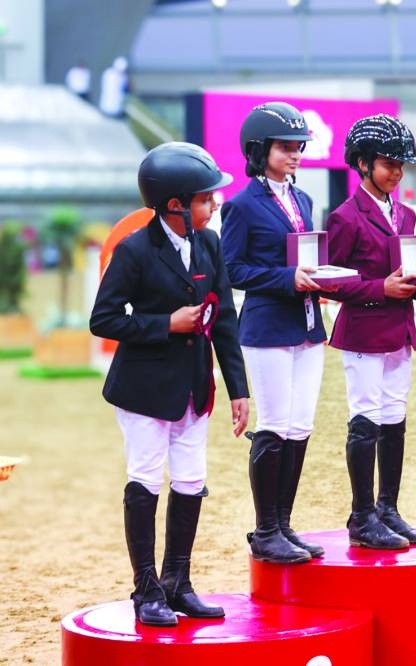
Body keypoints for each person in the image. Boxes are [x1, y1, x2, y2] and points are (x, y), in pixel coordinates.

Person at [90, 142, 249, 626]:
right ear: (174, 204)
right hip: (143, 390)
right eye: (205, 198)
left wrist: (238, 388)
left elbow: (224, 318)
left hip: (193, 387)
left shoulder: (209, 243)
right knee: (146, 479)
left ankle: (178, 581)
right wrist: (165, 324)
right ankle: (146, 589)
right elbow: (104, 319)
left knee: (191, 480)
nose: (215, 204)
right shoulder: (135, 250)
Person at [221, 102, 328, 565]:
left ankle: (284, 524)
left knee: (300, 426)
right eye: (286, 148)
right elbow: (232, 268)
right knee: (276, 426)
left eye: (298, 147)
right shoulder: (242, 206)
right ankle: (265, 530)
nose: (295, 155)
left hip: (307, 323)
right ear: (260, 150)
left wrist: (321, 278)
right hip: (267, 326)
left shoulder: (303, 201)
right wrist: (287, 279)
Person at [325, 114, 416, 550]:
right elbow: (329, 279)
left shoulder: (405, 214)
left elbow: (408, 269)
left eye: (400, 165)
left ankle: (388, 508)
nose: (397, 173)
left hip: (399, 329)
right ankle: (361, 514)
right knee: (365, 419)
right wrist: (379, 288)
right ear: (364, 164)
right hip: (364, 332)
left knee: (395, 420)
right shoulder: (345, 217)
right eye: (389, 164)